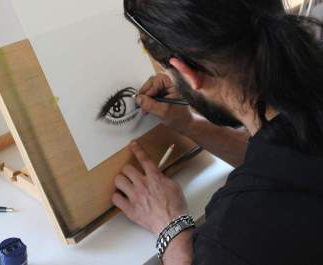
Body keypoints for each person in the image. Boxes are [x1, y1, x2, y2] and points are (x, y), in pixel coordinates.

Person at [111, 0, 323, 264]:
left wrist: (172, 231)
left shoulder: (236, 234)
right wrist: (188, 124)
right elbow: (288, 160)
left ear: (187, 73)